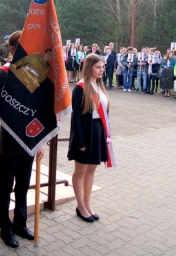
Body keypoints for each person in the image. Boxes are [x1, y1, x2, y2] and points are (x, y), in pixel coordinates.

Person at [0, 30, 44, 248]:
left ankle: (20, 223)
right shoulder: (1, 75)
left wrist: (40, 139)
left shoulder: (33, 72)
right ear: (13, 50)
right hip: (12, 141)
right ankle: (5, 227)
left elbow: (38, 107)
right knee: (6, 186)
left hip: (30, 141)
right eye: (23, 46)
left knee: (23, 184)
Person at [68, 53, 110, 224]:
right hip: (85, 133)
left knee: (91, 170)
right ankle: (80, 206)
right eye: (98, 67)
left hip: (98, 132)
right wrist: (80, 141)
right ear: (89, 68)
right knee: (80, 172)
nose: (102, 70)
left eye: (103, 67)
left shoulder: (100, 86)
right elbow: (76, 118)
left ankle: (87, 203)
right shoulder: (80, 88)